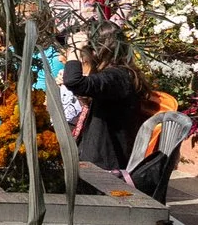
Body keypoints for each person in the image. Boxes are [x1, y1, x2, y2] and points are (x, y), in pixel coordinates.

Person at [62, 21, 149, 170]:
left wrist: (73, 49)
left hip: (103, 168)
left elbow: (74, 81)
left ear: (97, 50)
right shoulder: (117, 75)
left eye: (84, 49)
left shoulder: (118, 76)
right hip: (95, 159)